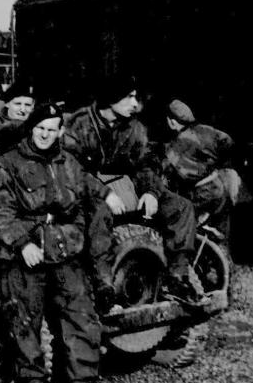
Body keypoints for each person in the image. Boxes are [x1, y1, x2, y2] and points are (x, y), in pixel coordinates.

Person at [0, 103, 124, 383]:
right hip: (26, 254)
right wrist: (22, 243)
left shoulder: (67, 161)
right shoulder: (8, 164)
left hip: (63, 249)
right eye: (40, 128)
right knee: (26, 323)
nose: (46, 135)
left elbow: (86, 183)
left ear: (61, 130)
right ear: (30, 128)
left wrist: (106, 194)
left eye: (52, 128)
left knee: (82, 315)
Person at [63, 75, 207, 307]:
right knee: (98, 213)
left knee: (181, 208)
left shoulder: (135, 128)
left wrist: (150, 191)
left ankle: (177, 279)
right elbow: (70, 169)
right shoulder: (77, 125)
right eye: (129, 97)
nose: (134, 104)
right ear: (110, 99)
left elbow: (146, 163)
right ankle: (103, 285)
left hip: (127, 188)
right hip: (86, 190)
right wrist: (104, 193)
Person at [164, 99, 239, 237]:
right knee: (220, 234)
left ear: (172, 122)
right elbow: (228, 142)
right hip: (219, 186)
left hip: (201, 193)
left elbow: (171, 174)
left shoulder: (175, 146)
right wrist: (214, 163)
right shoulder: (206, 130)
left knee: (177, 222)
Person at [0, 82, 35, 155]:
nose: (23, 110)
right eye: (18, 104)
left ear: (33, 107)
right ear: (7, 104)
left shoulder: (37, 126)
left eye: (27, 105)